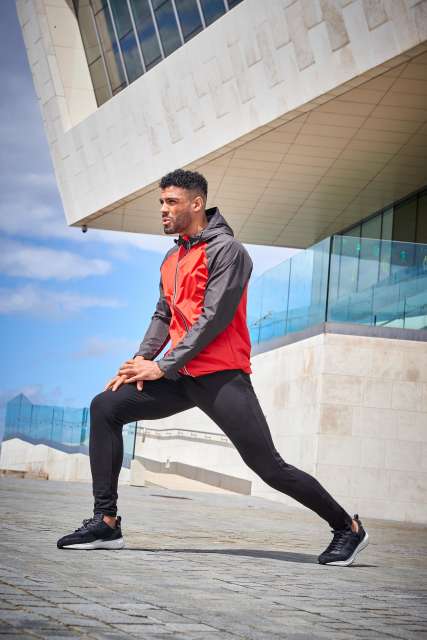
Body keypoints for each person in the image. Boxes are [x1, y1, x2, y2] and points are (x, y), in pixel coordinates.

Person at [57, 169, 369, 566]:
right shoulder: (172, 258)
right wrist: (141, 361)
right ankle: (106, 522)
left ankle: (347, 528)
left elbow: (214, 318)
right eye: (161, 202)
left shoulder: (229, 252)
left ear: (197, 203)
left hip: (221, 377)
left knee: (269, 467)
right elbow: (163, 315)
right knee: (106, 406)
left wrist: (162, 366)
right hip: (179, 377)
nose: (163, 209)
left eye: (171, 202)